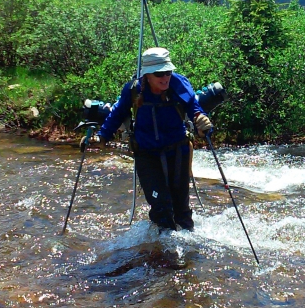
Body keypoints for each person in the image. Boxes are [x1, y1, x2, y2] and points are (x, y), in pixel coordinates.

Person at [82, 47, 213, 232]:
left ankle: (187, 250)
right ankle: (164, 251)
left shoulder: (178, 84)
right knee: (160, 205)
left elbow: (193, 106)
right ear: (147, 75)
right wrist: (102, 136)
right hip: (147, 155)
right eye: (160, 73)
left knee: (181, 209)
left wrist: (202, 120)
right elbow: (118, 113)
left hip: (178, 151)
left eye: (168, 71)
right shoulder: (134, 89)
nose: (165, 77)